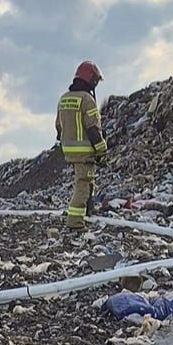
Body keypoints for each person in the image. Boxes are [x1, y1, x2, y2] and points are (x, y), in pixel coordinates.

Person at [55, 61, 107, 229]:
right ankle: (75, 223)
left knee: (86, 181)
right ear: (90, 79)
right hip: (85, 150)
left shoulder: (64, 99)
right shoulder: (87, 99)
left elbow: (58, 126)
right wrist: (101, 149)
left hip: (69, 150)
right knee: (83, 185)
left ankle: (87, 213)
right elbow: (93, 128)